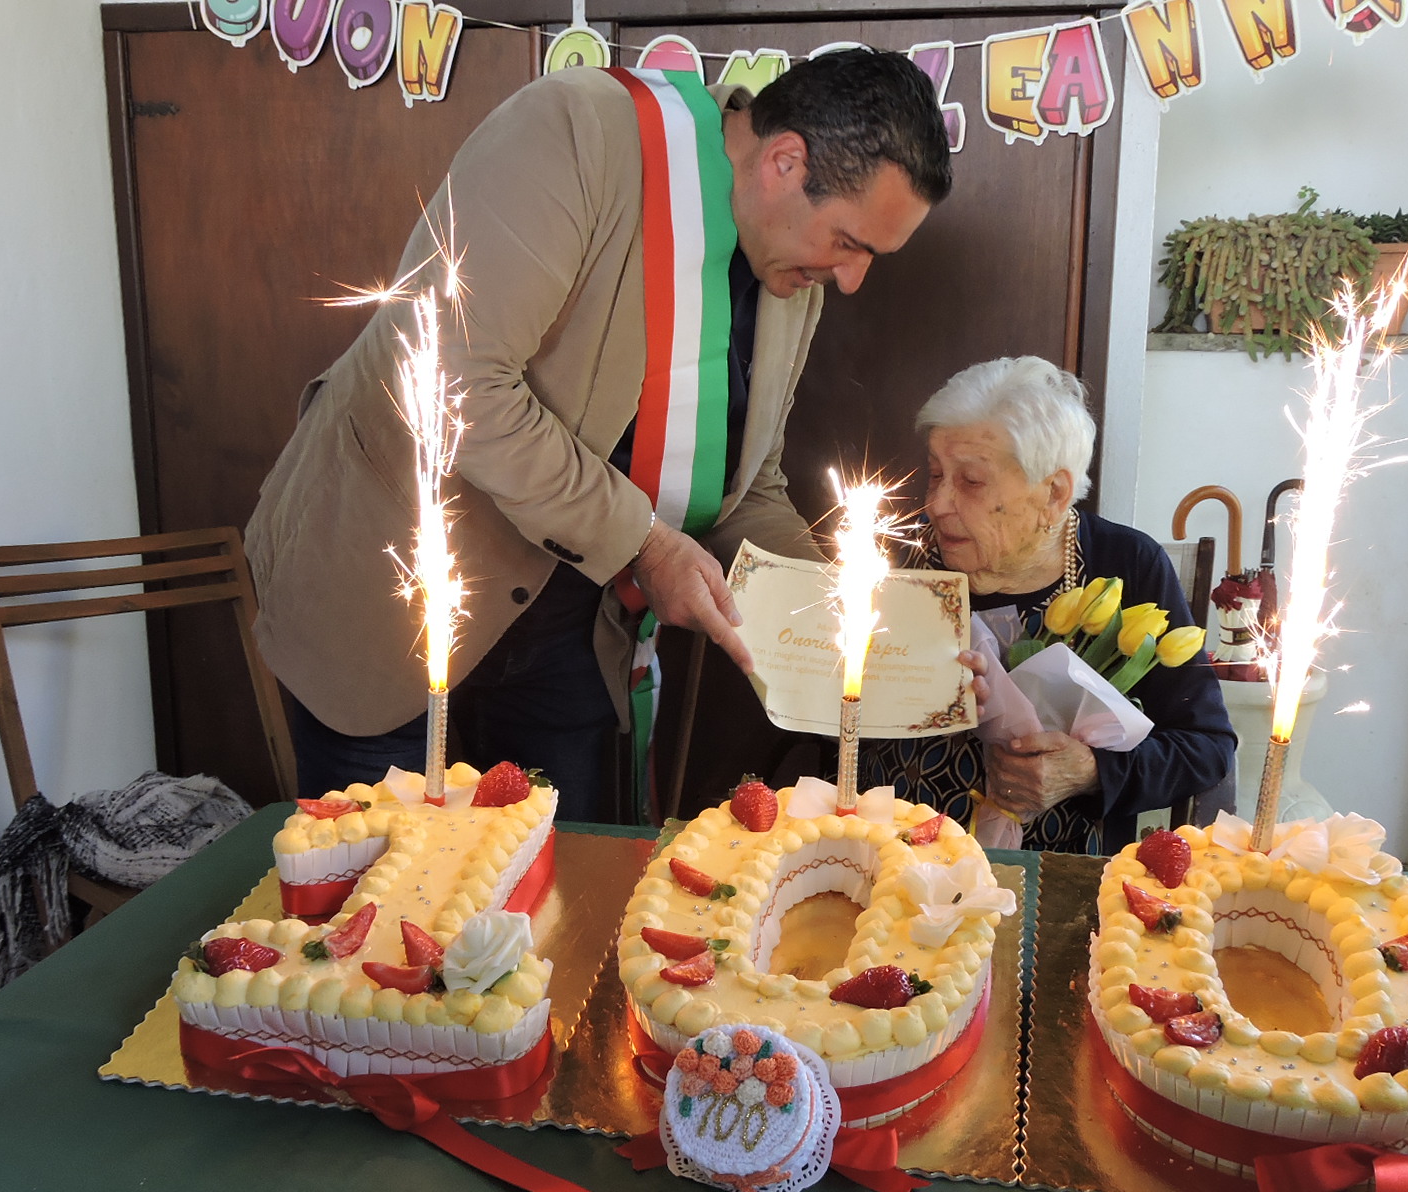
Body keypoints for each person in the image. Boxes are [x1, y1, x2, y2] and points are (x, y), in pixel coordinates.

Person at [247, 51, 954, 820]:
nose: (852, 280)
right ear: (785, 161)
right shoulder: (576, 131)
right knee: (375, 912)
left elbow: (749, 491)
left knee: (560, 911)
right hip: (389, 605)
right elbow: (454, 385)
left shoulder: (793, 267)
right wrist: (647, 545)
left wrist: (864, 631)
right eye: (851, 243)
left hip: (575, 635)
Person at [862, 357, 1237, 852]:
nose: (936, 503)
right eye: (935, 474)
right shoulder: (895, 563)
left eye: (970, 481)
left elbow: (1207, 748)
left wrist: (1091, 771)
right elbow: (830, 721)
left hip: (1067, 879)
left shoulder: (1125, 566)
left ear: (1054, 494)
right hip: (894, 860)